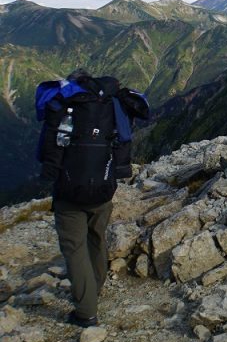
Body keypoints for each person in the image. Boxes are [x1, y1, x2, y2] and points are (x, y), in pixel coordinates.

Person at [36, 69, 149, 328]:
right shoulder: (112, 105)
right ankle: (94, 287)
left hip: (68, 193)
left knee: (75, 248)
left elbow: (46, 150)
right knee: (97, 238)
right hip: (103, 187)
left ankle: (86, 312)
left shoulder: (64, 105)